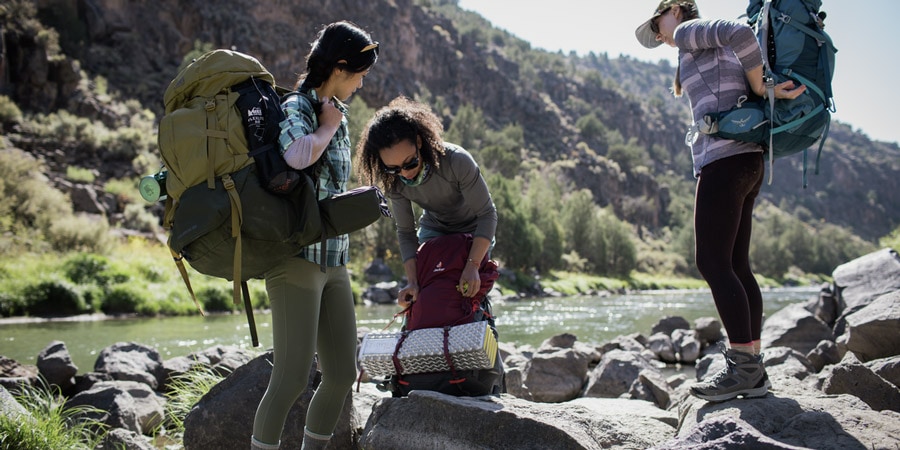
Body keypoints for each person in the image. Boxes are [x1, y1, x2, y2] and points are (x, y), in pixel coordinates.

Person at [635, 0, 806, 402]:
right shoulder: (697, 46)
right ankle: (754, 365)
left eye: (657, 24)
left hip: (725, 161)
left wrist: (761, 84)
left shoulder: (687, 31)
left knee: (712, 262)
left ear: (674, 9)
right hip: (748, 161)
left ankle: (744, 368)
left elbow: (742, 34)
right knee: (735, 265)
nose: (660, 35)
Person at [250, 21, 378, 450]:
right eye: (359, 73)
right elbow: (295, 154)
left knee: (342, 372)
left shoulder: (334, 112)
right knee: (289, 378)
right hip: (296, 258)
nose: (362, 82)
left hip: (335, 260)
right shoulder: (298, 105)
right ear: (340, 67)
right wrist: (325, 126)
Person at [355, 96, 498, 308]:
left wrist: (472, 265)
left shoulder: (457, 160)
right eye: (393, 168)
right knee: (424, 295)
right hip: (434, 229)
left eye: (410, 162)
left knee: (469, 293)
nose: (404, 173)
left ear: (419, 142)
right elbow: (405, 232)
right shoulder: (394, 182)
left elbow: (487, 214)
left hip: (475, 228)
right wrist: (412, 282)